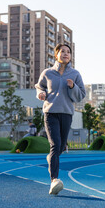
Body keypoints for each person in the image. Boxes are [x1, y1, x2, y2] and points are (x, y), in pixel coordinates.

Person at [35, 44, 86, 195]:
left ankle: (51, 157)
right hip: (50, 113)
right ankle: (54, 180)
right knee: (55, 144)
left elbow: (81, 95)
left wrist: (72, 87)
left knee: (61, 146)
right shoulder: (48, 73)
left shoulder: (75, 74)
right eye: (62, 51)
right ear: (56, 55)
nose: (66, 54)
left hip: (67, 113)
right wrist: (41, 93)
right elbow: (39, 86)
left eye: (68, 52)